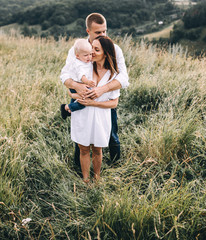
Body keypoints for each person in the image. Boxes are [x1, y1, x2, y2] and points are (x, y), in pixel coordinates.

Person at [60, 13, 129, 168]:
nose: (103, 35)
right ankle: (79, 168)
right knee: (81, 133)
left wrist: (102, 90)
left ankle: (115, 166)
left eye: (104, 31)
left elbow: (124, 77)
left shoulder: (114, 48)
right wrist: (77, 86)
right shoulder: (77, 48)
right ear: (88, 31)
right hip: (82, 93)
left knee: (111, 132)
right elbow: (65, 74)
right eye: (98, 32)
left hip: (104, 97)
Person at [71, 36, 120, 182]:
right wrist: (75, 92)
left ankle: (97, 178)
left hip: (101, 117)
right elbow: (70, 89)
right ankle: (85, 179)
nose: (91, 52)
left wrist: (94, 103)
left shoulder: (113, 75)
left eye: (96, 49)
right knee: (84, 149)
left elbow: (114, 103)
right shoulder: (84, 67)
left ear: (105, 53)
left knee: (98, 150)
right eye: (92, 47)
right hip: (83, 115)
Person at [60, 39, 96, 119]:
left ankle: (70, 109)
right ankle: (66, 107)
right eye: (86, 55)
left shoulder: (86, 61)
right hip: (77, 85)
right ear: (77, 56)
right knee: (84, 102)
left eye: (90, 54)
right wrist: (87, 82)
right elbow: (81, 75)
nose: (89, 57)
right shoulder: (78, 64)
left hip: (79, 85)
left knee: (76, 99)